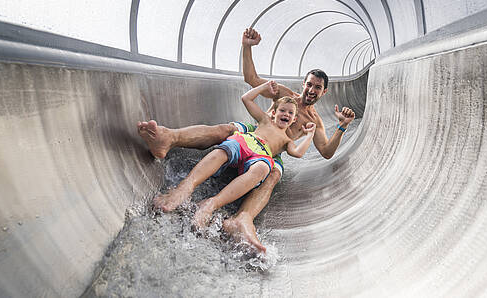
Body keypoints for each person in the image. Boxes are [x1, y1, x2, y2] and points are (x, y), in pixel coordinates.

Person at [138, 28, 355, 252]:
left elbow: (327, 151)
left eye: (317, 87)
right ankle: (169, 138)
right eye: (309, 84)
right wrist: (247, 47)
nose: (311, 90)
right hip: (256, 130)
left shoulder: (315, 121)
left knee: (272, 174)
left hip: (274, 150)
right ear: (304, 84)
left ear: (324, 92)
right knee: (227, 129)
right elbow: (250, 79)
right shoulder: (283, 94)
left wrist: (342, 126)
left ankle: (243, 219)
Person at [152, 80, 316, 231]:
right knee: (226, 149)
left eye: (290, 113)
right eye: (282, 110)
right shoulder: (265, 120)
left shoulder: (287, 140)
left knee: (262, 169)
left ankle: (212, 203)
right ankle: (186, 186)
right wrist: (263, 87)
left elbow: (298, 153)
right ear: (274, 112)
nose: (286, 114)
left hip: (261, 155)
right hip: (246, 141)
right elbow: (246, 99)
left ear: (294, 120)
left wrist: (309, 135)